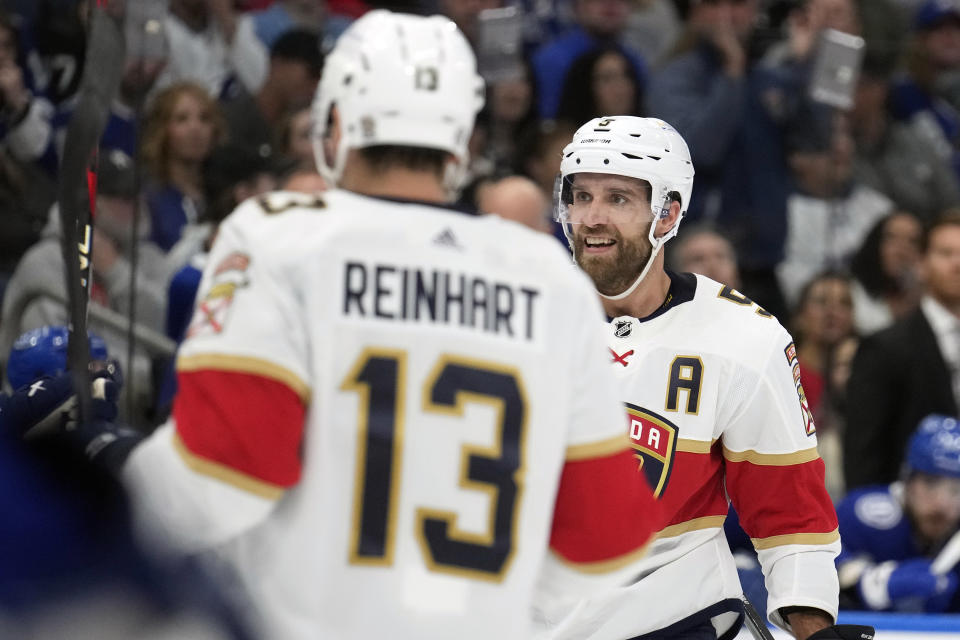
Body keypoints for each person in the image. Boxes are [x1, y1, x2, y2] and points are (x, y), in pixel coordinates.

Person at [18, 12, 664, 639]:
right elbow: (606, 543)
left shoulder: (284, 236)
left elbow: (222, 479)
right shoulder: (547, 276)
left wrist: (92, 480)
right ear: (464, 135)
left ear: (335, 120)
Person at [547, 116, 854, 640]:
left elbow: (790, 514)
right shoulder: (518, 315)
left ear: (667, 214)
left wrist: (814, 631)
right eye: (581, 196)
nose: (591, 218)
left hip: (677, 620)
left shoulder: (744, 337)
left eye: (618, 199)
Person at [844, 213, 960, 489]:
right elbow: (864, 454)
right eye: (946, 253)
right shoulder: (884, 348)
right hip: (911, 514)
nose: (958, 263)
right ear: (920, 264)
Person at [836, 414, 960, 613]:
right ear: (907, 478)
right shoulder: (864, 513)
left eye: (956, 490)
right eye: (930, 482)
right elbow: (810, 566)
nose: (942, 504)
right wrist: (864, 582)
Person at [141, 82, 226, 252]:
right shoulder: (147, 198)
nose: (195, 128)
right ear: (161, 130)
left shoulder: (223, 195)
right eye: (182, 119)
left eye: (204, 118)